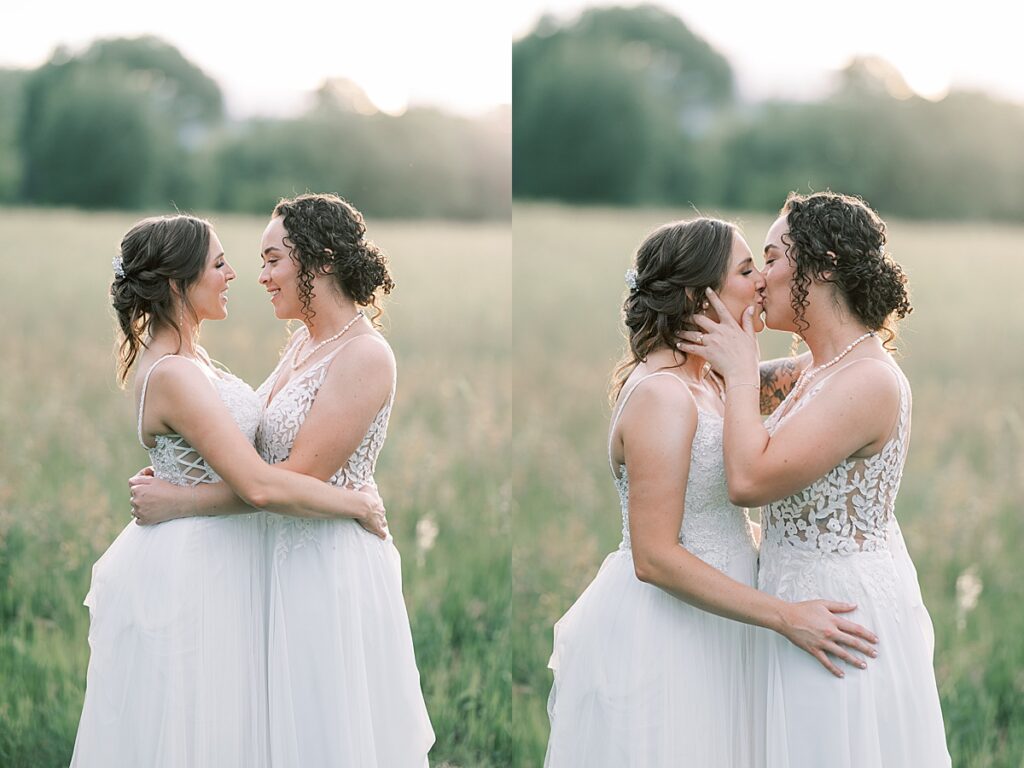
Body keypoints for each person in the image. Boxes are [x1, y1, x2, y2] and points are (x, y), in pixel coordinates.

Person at [545, 217, 878, 768]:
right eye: (748, 270)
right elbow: (654, 557)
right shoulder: (662, 396)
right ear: (704, 296)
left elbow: (828, 368)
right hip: (672, 634)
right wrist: (784, 615)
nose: (763, 282)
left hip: (725, 624)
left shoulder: (712, 379)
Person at [71, 214, 387, 768]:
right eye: (220, 264)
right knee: (197, 732)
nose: (239, 274)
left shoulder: (199, 361)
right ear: (177, 284)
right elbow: (262, 483)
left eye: (269, 259)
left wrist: (181, 496)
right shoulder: (174, 372)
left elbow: (261, 468)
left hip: (245, 559)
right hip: (197, 565)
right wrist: (356, 501)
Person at [130, 194, 434, 767]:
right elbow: (255, 460)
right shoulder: (305, 341)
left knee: (320, 735)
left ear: (318, 259)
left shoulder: (366, 356)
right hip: (277, 556)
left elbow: (286, 480)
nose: (261, 277)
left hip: (325, 562)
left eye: (273, 259)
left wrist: (178, 499)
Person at [679, 191, 950, 767]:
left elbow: (748, 479)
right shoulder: (815, 368)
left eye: (772, 259)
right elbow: (708, 390)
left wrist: (741, 360)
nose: (760, 280)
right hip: (792, 599)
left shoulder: (869, 380)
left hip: (838, 614)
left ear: (823, 266)